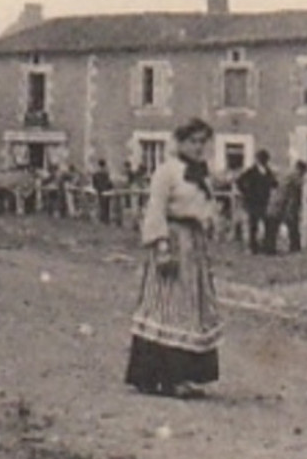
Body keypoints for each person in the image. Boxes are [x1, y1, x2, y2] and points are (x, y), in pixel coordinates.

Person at [127, 119, 222, 398]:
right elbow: (155, 210)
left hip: (194, 246)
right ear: (179, 142)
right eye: (193, 141)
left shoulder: (201, 174)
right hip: (173, 241)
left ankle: (186, 376)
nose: (198, 147)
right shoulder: (166, 172)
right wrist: (161, 246)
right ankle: (162, 378)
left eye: (203, 142)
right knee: (165, 307)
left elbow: (206, 207)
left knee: (191, 309)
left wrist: (211, 222)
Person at [235, 150, 279, 255]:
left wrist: (272, 190)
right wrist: (246, 192)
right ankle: (253, 248)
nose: (263, 161)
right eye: (261, 159)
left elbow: (274, 183)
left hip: (264, 202)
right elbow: (239, 181)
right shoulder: (251, 171)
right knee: (253, 226)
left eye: (265, 159)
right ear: (258, 160)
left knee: (268, 224)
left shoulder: (268, 172)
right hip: (253, 201)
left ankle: (268, 248)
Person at [267, 160, 307, 255]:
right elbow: (299, 186)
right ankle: (294, 247)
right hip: (283, 204)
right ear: (300, 169)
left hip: (279, 202)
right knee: (290, 226)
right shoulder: (295, 175)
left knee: (275, 227)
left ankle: (270, 248)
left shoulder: (287, 173)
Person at [90, 159, 114, 224]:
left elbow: (94, 183)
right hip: (106, 190)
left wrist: (96, 188)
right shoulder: (106, 173)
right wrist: (111, 188)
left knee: (101, 204)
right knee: (107, 205)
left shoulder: (96, 173)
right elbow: (109, 182)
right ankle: (106, 218)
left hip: (99, 190)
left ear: (99, 164)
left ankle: (102, 218)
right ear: (105, 164)